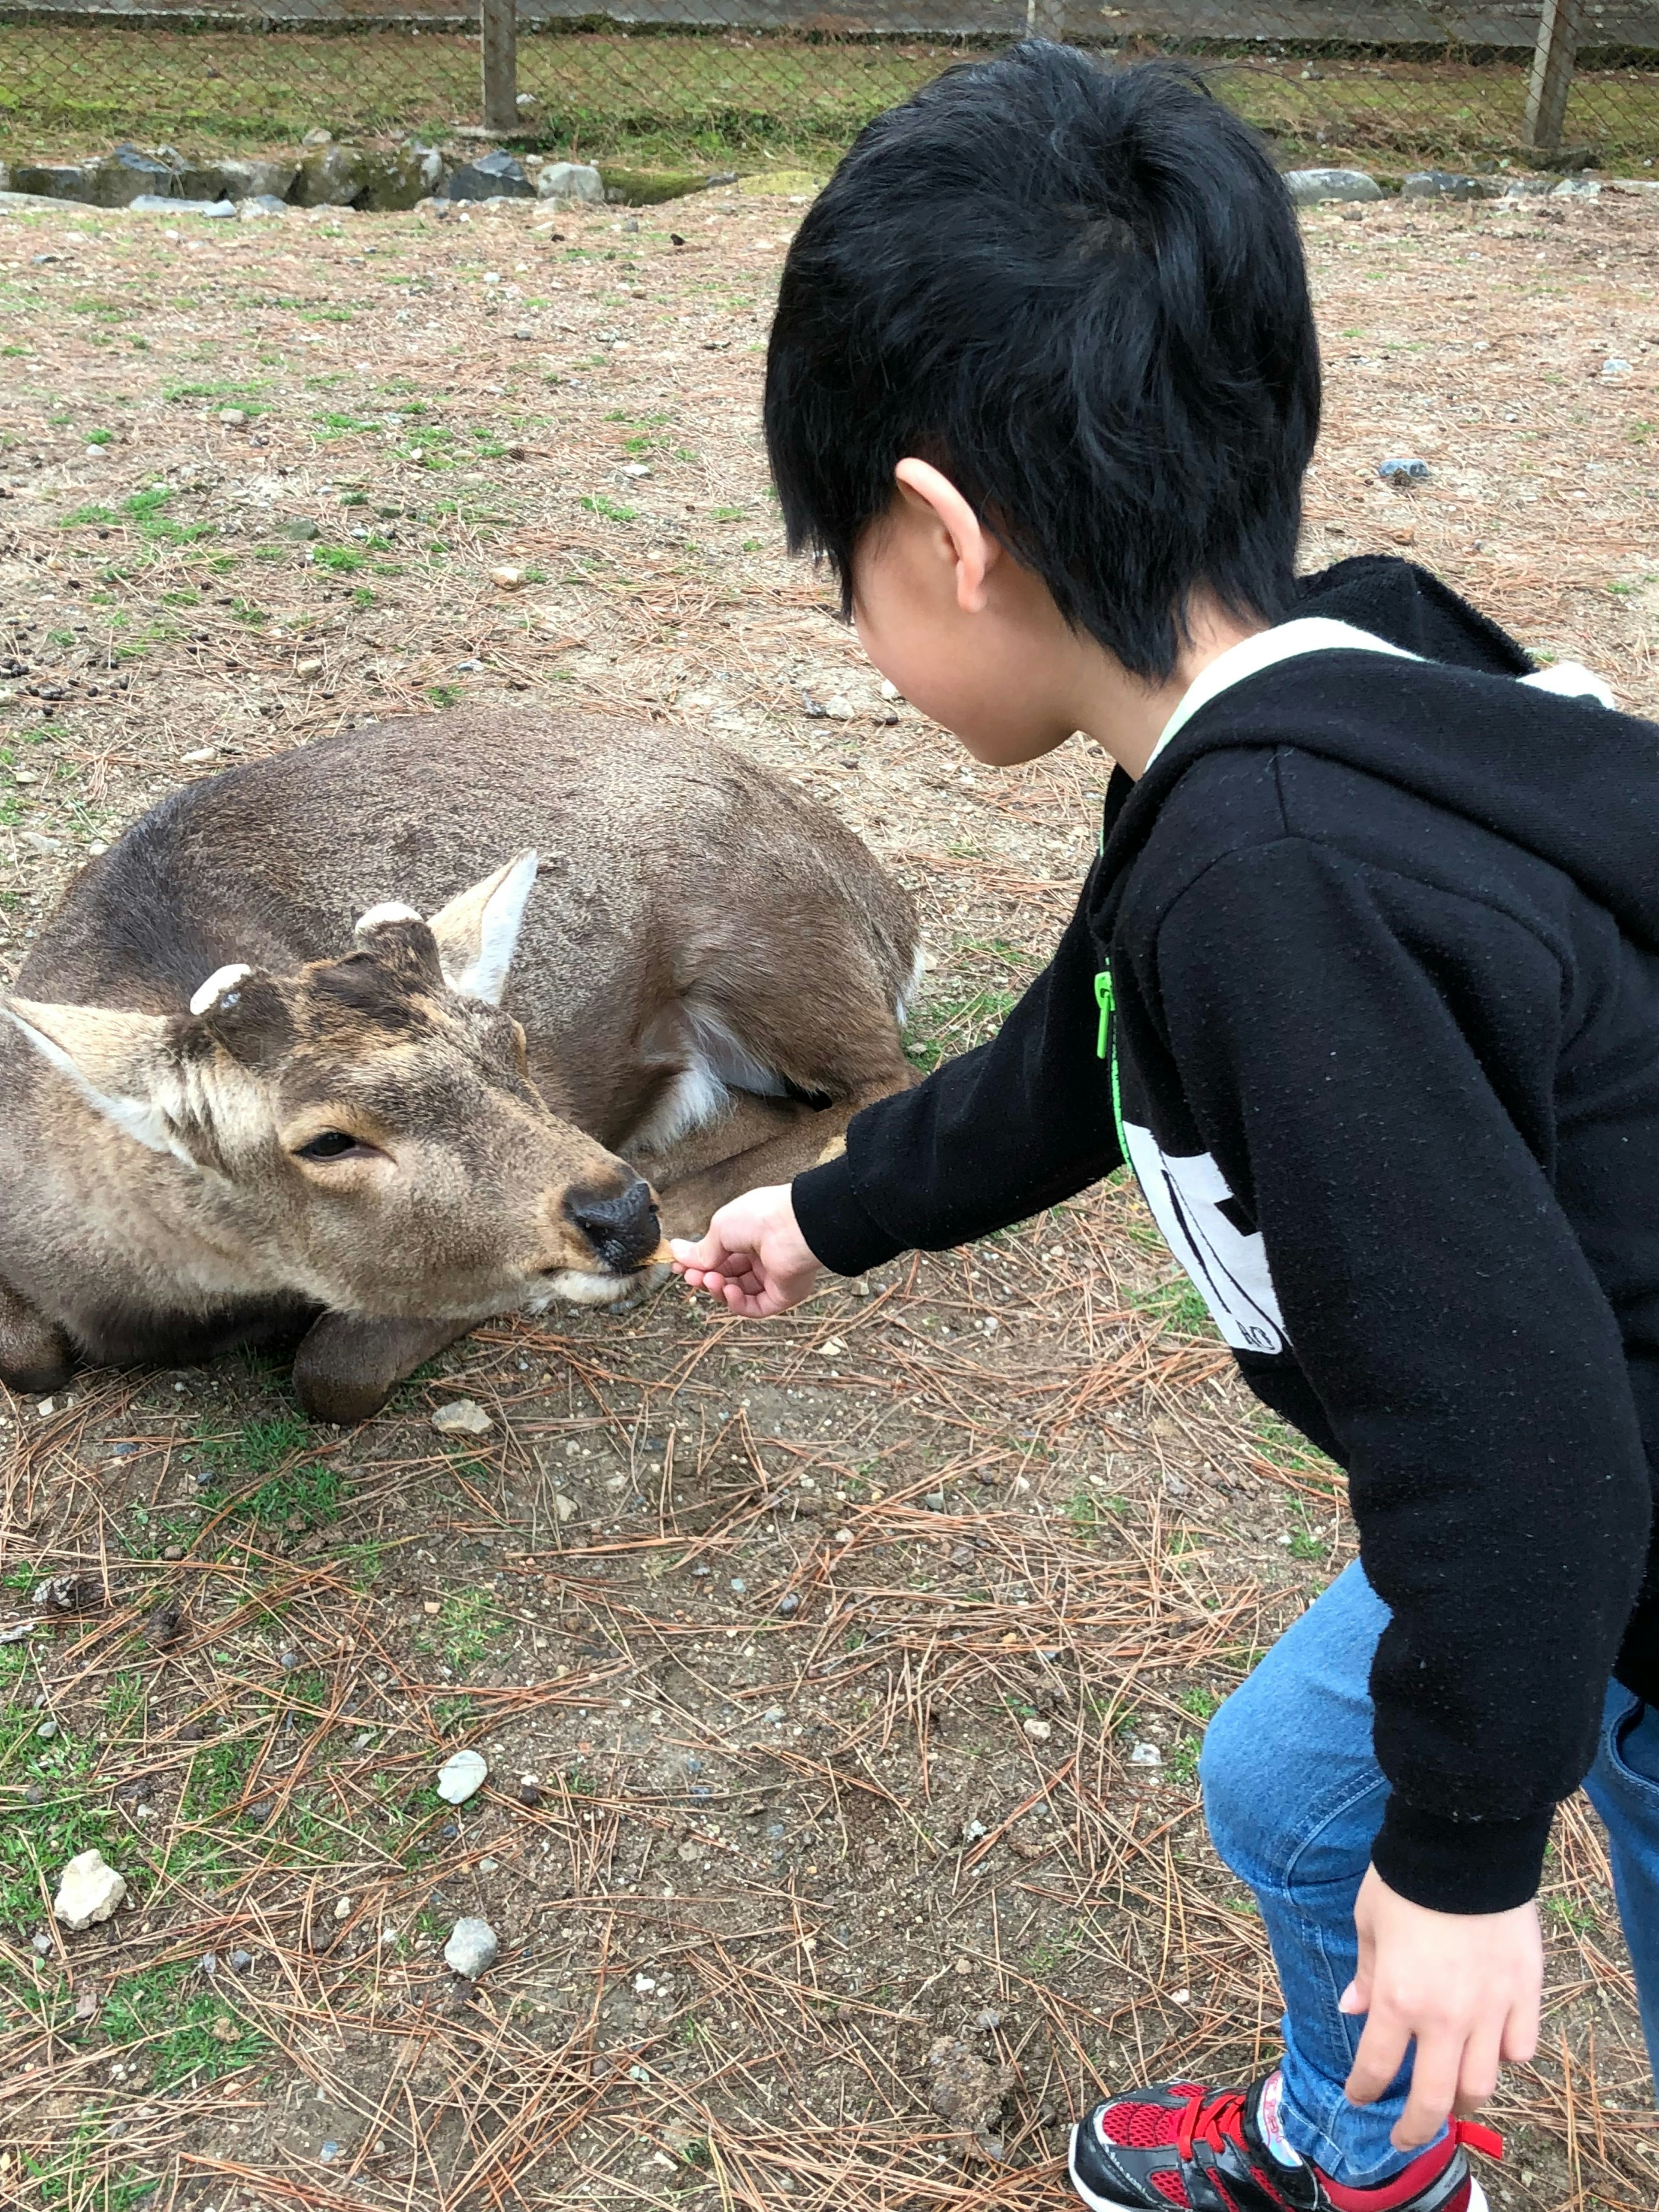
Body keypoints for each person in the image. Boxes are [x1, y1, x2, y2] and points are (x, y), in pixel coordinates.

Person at [671, 41, 1659, 2212]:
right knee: (1293, 1792)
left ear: (944, 533)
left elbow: (1528, 1429)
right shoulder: (1273, 715)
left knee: (1396, 1826)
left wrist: (1475, 1858)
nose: (860, 625)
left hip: (1617, 1528)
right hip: (1557, 1511)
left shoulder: (1279, 877)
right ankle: (1365, 2156)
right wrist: (836, 1211)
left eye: (844, 568)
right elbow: (1086, 1040)